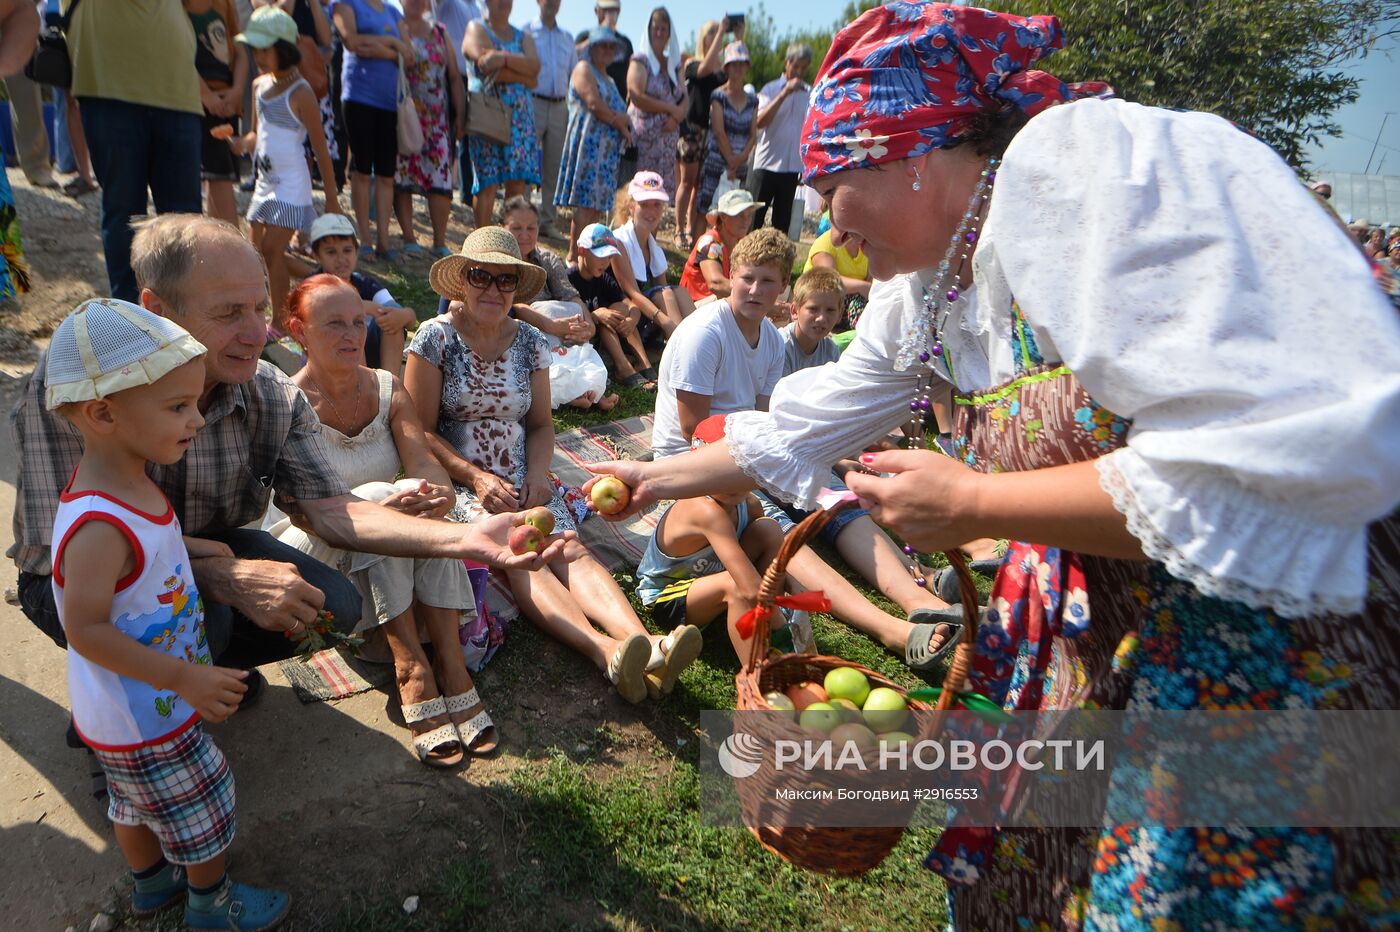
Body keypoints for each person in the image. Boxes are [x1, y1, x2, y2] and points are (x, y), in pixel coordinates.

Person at [584, 3, 1400, 927]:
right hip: (1088, 644)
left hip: (1246, 651)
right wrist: (652, 481)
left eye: (832, 186)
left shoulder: (1075, 180)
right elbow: (794, 433)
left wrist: (976, 497)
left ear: (914, 157)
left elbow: (1271, 459)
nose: (831, 233)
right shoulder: (931, 288)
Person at [12, 214, 569, 680]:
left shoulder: (267, 392)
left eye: (259, 308)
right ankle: (122, 707)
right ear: (158, 311)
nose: (258, 335)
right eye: (229, 313)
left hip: (212, 542)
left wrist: (467, 536)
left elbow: (336, 511)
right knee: (208, 616)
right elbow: (48, 552)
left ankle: (203, 669)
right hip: (81, 570)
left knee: (337, 605)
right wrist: (216, 575)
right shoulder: (74, 391)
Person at [44, 300, 290, 930]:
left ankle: (152, 885)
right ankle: (212, 905)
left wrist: (201, 549)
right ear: (103, 413)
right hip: (145, 708)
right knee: (202, 805)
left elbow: (155, 544)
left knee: (133, 805)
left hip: (129, 711)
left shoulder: (127, 477)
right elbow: (85, 628)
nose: (196, 420)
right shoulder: (98, 526)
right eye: (178, 407)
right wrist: (185, 680)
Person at [405, 227, 700, 703]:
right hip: (462, 479)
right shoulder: (434, 338)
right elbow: (417, 430)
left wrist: (539, 475)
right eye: (482, 276)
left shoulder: (527, 340)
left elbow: (542, 425)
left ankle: (649, 648)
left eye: (506, 281)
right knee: (527, 559)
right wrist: (475, 477)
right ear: (461, 279)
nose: (494, 290)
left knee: (570, 549)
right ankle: (605, 651)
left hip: (523, 474)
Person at [655, 226, 959, 662]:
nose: (755, 289)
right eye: (746, 277)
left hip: (748, 450)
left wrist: (807, 461)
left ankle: (918, 594)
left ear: (783, 288)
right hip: (696, 462)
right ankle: (891, 628)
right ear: (730, 276)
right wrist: (768, 468)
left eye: (767, 280)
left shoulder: (767, 341)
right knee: (780, 525)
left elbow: (765, 418)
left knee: (833, 498)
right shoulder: (706, 332)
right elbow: (693, 430)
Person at [279, 275, 495, 766]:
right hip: (310, 547)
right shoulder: (286, 403)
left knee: (412, 494)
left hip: (374, 546)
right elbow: (307, 512)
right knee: (380, 495)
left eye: (358, 321)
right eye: (333, 323)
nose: (351, 334)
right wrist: (379, 508)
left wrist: (436, 492)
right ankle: (410, 667)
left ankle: (451, 663)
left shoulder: (386, 387)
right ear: (299, 330)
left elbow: (423, 463)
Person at [67, 0, 204, 302]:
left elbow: (199, 4)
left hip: (177, 89)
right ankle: (129, 325)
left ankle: (190, 317)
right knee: (124, 210)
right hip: (108, 84)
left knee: (186, 219)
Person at [636, 415, 799, 661]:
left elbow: (764, 560)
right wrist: (786, 632)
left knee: (769, 529)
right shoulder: (705, 510)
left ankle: (758, 621)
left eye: (738, 471)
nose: (730, 483)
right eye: (719, 473)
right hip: (666, 597)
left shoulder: (750, 503)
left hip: (712, 580)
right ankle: (759, 675)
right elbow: (747, 585)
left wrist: (785, 584)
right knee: (736, 585)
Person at [231, 6, 343, 335]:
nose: (258, 56)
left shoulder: (302, 92)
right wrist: (241, 143)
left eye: (265, 49)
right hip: (265, 182)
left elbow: (321, 150)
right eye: (255, 48)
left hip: (292, 184)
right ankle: (323, 279)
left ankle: (279, 322)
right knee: (260, 254)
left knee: (270, 250)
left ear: (285, 48)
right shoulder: (258, 86)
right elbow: (256, 134)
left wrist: (332, 199)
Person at [496, 198, 616, 410]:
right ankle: (568, 392)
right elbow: (514, 306)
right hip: (521, 325)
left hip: (557, 327)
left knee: (576, 325)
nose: (524, 235)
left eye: (531, 228)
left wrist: (588, 327)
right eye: (516, 228)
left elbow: (570, 295)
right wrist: (551, 325)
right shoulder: (497, 261)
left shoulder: (546, 258)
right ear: (501, 228)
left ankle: (589, 389)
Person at [331, 0, 413, 261]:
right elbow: (352, 42)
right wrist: (394, 45)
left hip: (390, 103)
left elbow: (409, 55)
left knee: (387, 174)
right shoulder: (345, 4)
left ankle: (384, 242)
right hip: (358, 97)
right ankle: (364, 239)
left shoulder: (393, 11)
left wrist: (383, 46)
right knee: (363, 168)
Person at [393, 0, 465, 259]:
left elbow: (454, 77)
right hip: (404, 114)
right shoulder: (394, 26)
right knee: (403, 176)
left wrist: (460, 116)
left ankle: (439, 240)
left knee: (440, 179)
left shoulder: (440, 32)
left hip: (437, 120)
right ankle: (409, 238)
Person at [463, 0, 542, 231]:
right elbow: (486, 65)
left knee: (516, 182)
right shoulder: (476, 29)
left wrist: (503, 59)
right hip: (488, 116)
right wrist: (523, 71)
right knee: (487, 182)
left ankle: (507, 244)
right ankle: (481, 244)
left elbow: (535, 71)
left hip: (520, 120)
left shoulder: (524, 36)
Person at [307, 212, 417, 376]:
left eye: (347, 250)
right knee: (351, 325)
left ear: (356, 252)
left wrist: (404, 315)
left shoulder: (365, 284)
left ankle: (389, 389)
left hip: (368, 353)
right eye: (331, 252)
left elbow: (408, 317)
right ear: (316, 256)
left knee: (391, 318)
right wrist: (363, 308)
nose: (341, 258)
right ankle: (362, 389)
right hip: (329, 357)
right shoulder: (312, 287)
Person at [555, 26, 630, 261]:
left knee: (596, 206)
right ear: (593, 47)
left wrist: (620, 120)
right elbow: (594, 104)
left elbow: (625, 112)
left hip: (606, 153)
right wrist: (620, 124)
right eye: (602, 45)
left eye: (611, 46)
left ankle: (588, 255)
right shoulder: (583, 68)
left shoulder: (609, 79)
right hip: (588, 146)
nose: (607, 50)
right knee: (586, 203)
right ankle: (572, 255)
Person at [186, 0, 249, 229]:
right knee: (217, 174)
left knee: (220, 176)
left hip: (227, 101)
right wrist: (205, 95)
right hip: (195, 100)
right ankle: (232, 246)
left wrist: (237, 91)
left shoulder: (225, 4)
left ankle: (221, 240)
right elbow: (177, 54)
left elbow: (240, 51)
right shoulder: (178, 7)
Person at [569, 223, 655, 390]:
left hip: (608, 335)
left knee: (621, 310)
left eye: (609, 257)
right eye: (600, 256)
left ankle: (645, 364)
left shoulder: (603, 278)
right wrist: (596, 315)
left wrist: (632, 320)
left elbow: (632, 306)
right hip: (583, 338)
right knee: (609, 316)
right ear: (582, 251)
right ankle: (624, 368)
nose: (606, 263)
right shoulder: (569, 279)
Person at [611, 170, 695, 337]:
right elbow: (632, 293)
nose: (651, 211)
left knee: (680, 292)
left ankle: (695, 342)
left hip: (647, 314)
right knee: (668, 294)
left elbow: (663, 287)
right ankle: (680, 345)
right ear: (631, 207)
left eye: (656, 204)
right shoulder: (619, 240)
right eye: (644, 204)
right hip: (625, 314)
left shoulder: (654, 247)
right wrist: (666, 322)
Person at [675, 18, 735, 250]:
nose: (715, 35)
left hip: (710, 133)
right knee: (687, 182)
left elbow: (731, 77)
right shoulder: (692, 63)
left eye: (717, 32)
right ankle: (679, 230)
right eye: (710, 32)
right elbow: (703, 69)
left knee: (699, 187)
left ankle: (692, 231)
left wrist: (737, 37)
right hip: (691, 129)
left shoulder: (719, 70)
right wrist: (722, 32)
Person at [525, 0, 576, 240]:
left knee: (553, 166)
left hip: (559, 106)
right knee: (525, 163)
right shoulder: (526, 31)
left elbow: (574, 75)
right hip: (532, 101)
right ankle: (521, 220)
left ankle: (547, 220)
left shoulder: (568, 38)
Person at [748, 42, 811, 235]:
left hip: (791, 168)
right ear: (786, 64)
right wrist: (784, 93)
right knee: (753, 221)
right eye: (795, 66)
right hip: (766, 164)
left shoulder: (809, 93)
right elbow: (760, 121)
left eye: (803, 67)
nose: (799, 72)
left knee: (781, 227)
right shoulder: (771, 88)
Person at [626, 7, 686, 193]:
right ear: (649, 30)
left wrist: (676, 117)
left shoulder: (674, 65)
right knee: (642, 191)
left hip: (667, 145)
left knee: (661, 194)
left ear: (669, 33)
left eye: (663, 28)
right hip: (644, 142)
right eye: (656, 28)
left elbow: (685, 99)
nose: (659, 32)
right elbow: (636, 94)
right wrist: (669, 108)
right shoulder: (640, 60)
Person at [696, 42, 757, 219]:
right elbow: (718, 131)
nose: (738, 68)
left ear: (747, 66)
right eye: (733, 64)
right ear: (727, 68)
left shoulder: (753, 100)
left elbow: (753, 135)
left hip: (741, 165)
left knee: (736, 213)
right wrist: (731, 160)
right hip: (717, 161)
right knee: (707, 210)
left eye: (741, 63)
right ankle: (702, 245)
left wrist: (738, 161)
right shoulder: (718, 95)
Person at [678, 188, 759, 305]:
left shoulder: (742, 243)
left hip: (717, 304)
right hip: (692, 308)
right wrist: (757, 296)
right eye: (740, 215)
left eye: (749, 215)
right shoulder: (710, 242)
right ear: (724, 216)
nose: (746, 220)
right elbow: (716, 284)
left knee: (782, 293)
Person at [802, 224, 872, 343]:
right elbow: (830, 281)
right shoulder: (825, 243)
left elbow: (873, 278)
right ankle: (865, 339)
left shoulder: (866, 245)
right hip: (822, 297)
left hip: (854, 300)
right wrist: (862, 287)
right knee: (859, 305)